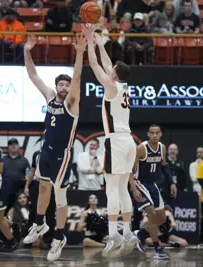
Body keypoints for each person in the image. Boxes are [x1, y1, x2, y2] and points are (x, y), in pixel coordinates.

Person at [22, 32, 86, 261]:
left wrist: (79, 53)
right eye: (61, 84)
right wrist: (27, 51)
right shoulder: (50, 97)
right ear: (57, 86)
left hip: (63, 155)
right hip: (46, 152)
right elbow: (33, 75)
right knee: (42, 188)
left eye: (67, 85)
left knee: (60, 196)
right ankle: (39, 224)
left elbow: (77, 77)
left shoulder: (72, 103)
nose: (64, 87)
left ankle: (59, 237)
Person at [83, 24, 138, 257]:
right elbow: (106, 63)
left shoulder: (110, 86)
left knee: (112, 190)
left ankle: (114, 235)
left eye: (113, 68)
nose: (111, 67)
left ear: (115, 74)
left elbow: (96, 65)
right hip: (129, 142)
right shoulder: (123, 86)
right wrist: (98, 41)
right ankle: (128, 232)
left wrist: (88, 42)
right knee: (123, 188)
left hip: (115, 141)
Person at [131, 124, 177, 260]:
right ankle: (158, 248)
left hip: (152, 185)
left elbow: (164, 166)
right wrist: (133, 188)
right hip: (140, 183)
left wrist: (172, 183)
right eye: (152, 133)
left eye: (157, 133)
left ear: (161, 134)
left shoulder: (162, 148)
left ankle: (140, 234)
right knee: (151, 213)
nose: (155, 135)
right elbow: (130, 170)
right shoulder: (141, 149)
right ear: (148, 134)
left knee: (161, 219)